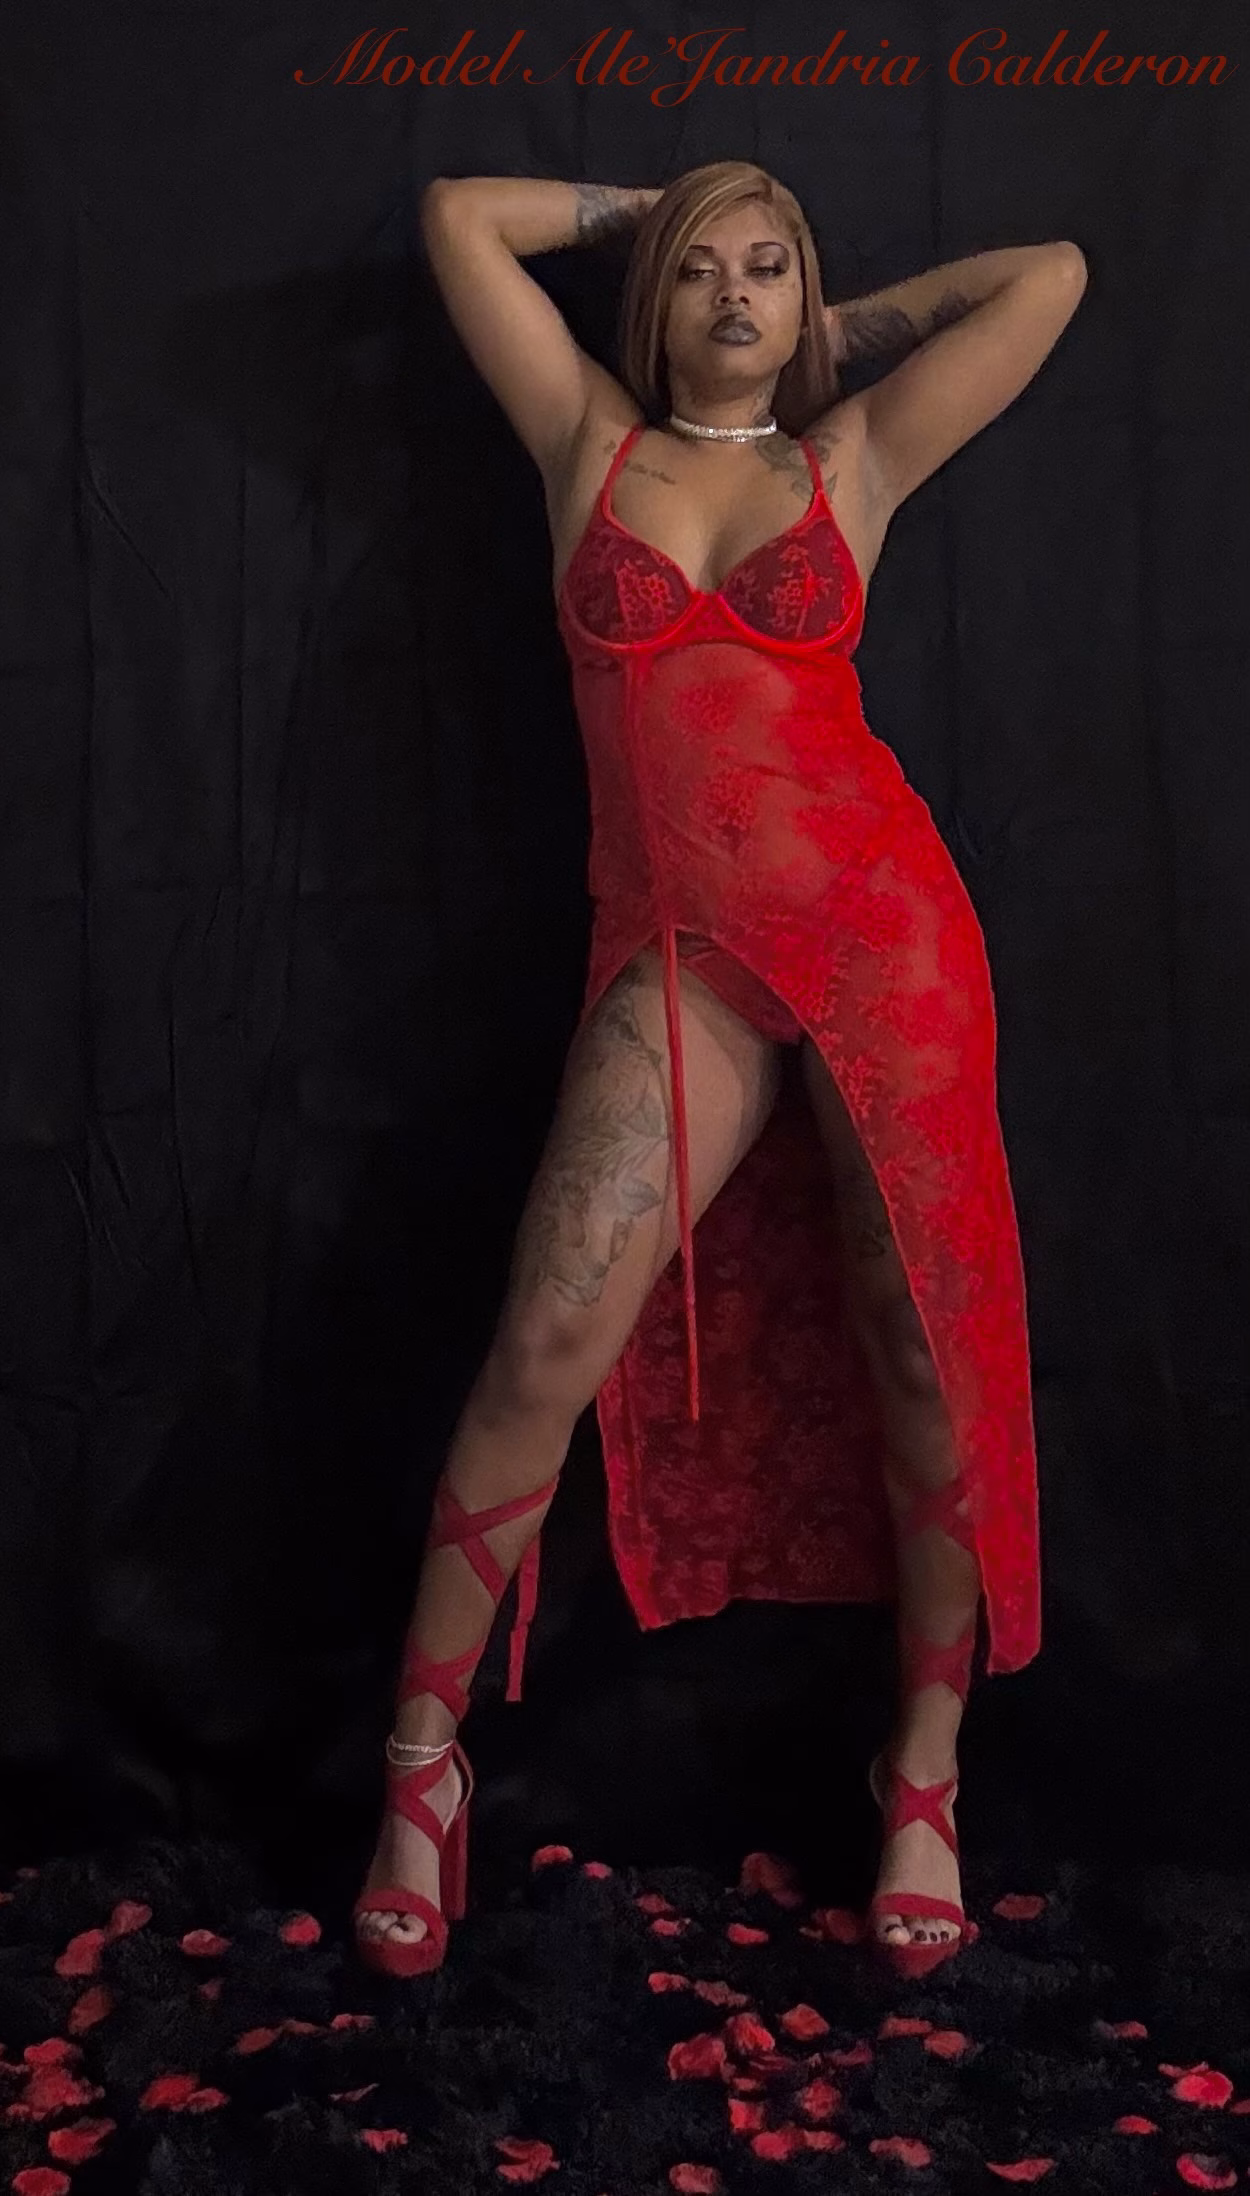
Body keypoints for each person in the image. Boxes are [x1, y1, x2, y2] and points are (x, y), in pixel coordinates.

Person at [353, 159, 1084, 1980]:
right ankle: (420, 1763)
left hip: (882, 936)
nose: (736, 296)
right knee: (544, 1340)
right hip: (679, 955)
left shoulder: (849, 462)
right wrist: (652, 207)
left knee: (917, 1349)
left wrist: (838, 325)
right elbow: (457, 218)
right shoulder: (584, 445)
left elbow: (1052, 271)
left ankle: (922, 1776)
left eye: (766, 268)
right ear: (654, 298)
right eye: (703, 271)